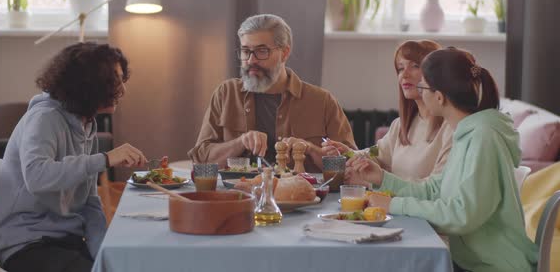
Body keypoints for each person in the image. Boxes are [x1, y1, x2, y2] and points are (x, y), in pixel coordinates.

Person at [346, 47, 538, 272]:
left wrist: (393, 204)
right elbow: (434, 191)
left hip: (491, 266)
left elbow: (463, 215)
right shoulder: (467, 133)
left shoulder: (483, 138)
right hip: (466, 261)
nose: (420, 92)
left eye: (423, 86)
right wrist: (382, 179)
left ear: (439, 96)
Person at [0, 43, 148, 272]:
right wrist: (104, 159)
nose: (123, 90)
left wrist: (102, 253)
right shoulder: (44, 118)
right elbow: (37, 177)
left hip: (65, 239)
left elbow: (89, 203)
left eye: (123, 80)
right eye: (115, 81)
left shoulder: (86, 124)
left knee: (126, 264)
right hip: (27, 243)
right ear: (88, 84)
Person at [188, 14, 356, 172]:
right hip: (239, 196)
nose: (251, 60)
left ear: (284, 53)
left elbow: (351, 165)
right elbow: (202, 162)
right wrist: (240, 143)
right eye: (246, 51)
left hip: (304, 200)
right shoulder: (226, 94)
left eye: (262, 51)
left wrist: (311, 150)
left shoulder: (322, 101)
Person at [322, 40, 453, 181]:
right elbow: (376, 153)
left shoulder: (451, 128)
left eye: (415, 66)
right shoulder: (400, 125)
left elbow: (434, 190)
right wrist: (348, 153)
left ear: (435, 73)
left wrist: (378, 185)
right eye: (401, 68)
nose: (404, 75)